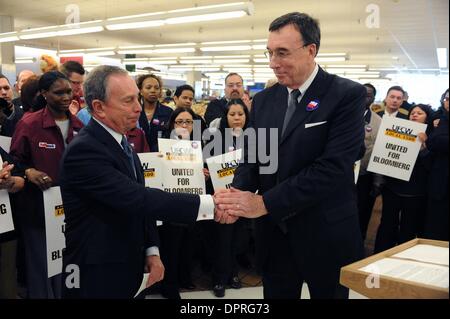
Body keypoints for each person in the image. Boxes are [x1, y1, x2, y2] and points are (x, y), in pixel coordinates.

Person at [214, 12, 366, 299]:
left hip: (325, 231)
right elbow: (254, 158)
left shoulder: (346, 95)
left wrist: (264, 202)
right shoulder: (263, 101)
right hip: (275, 234)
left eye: (282, 53)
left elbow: (332, 168)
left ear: (311, 50)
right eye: (269, 53)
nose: (273, 63)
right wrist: (234, 199)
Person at [59, 65, 224, 299]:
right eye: (128, 101)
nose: (138, 107)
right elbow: (139, 198)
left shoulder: (123, 142)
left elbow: (139, 203)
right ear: (99, 107)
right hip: (95, 272)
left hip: (128, 265)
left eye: (137, 98)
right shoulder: (84, 151)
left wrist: (151, 250)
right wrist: (211, 204)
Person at [10, 71, 84, 298]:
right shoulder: (30, 124)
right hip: (38, 208)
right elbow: (13, 162)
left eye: (68, 91)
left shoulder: (79, 125)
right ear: (44, 94)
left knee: (67, 263)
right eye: (58, 92)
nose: (65, 97)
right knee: (42, 266)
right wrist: (29, 171)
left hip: (71, 209)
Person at [205, 99, 250, 298]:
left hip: (244, 197)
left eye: (240, 114)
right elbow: (207, 164)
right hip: (222, 197)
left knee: (238, 240)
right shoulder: (215, 139)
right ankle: (219, 279)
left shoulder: (253, 138)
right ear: (226, 117)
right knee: (222, 239)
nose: (237, 118)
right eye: (232, 114)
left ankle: (233, 274)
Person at [374, 104, 434, 252]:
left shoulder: (432, 136)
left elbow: (432, 167)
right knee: (387, 224)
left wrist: (425, 147)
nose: (414, 115)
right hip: (393, 187)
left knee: (408, 227)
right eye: (413, 112)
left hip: (415, 192)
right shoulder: (397, 129)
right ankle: (379, 254)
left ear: (427, 117)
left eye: (419, 113)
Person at [357, 83, 382, 242]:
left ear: (373, 98)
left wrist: (377, 181)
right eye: (363, 94)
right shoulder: (344, 114)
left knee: (362, 212)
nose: (366, 97)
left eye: (369, 94)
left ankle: (359, 243)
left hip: (365, 175)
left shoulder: (378, 122)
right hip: (341, 175)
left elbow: (380, 152)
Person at [424, 89, 448, 240]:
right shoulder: (440, 119)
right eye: (447, 98)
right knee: (436, 226)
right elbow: (433, 142)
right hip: (440, 181)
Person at [136, 74, 173, 152]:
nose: (153, 90)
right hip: (139, 156)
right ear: (141, 91)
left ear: (160, 91)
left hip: (161, 156)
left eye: (156, 88)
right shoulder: (135, 112)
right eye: (148, 87)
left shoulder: (168, 112)